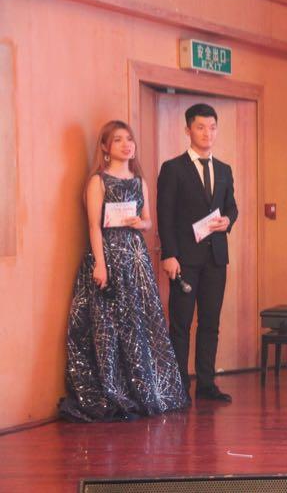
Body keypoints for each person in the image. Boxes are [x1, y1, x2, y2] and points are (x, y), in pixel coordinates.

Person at [59, 120, 188, 422]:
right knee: (109, 325)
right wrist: (100, 264)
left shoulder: (139, 181)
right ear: (105, 147)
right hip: (108, 255)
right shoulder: (98, 181)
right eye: (118, 140)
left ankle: (143, 389)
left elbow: (148, 221)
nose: (127, 145)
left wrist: (141, 223)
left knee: (139, 324)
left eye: (129, 139)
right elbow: (93, 226)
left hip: (136, 258)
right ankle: (113, 388)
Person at [157, 103, 238, 403]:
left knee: (210, 323)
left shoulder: (224, 170)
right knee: (180, 324)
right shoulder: (173, 168)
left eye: (212, 127)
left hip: (216, 257)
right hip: (184, 260)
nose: (207, 133)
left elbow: (231, 207)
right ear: (188, 129)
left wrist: (228, 220)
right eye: (201, 127)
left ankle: (206, 384)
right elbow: (165, 215)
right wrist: (169, 255)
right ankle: (179, 387)